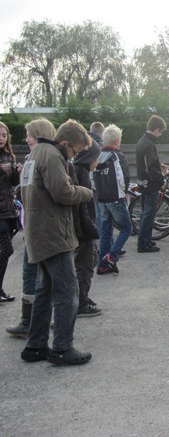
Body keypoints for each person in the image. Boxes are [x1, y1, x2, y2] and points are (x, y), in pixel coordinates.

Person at [20, 119, 94, 365]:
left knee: (45, 291)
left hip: (38, 233)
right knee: (67, 292)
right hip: (54, 235)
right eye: (74, 151)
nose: (74, 157)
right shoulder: (52, 156)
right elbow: (63, 192)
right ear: (65, 143)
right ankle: (62, 347)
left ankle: (35, 345)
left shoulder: (35, 153)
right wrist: (85, 192)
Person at [6, 119, 57, 338]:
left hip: (42, 228)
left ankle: (36, 320)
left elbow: (54, 192)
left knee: (40, 274)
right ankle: (33, 319)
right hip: (32, 226)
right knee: (33, 274)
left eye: (31, 136)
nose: (26, 139)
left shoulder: (46, 159)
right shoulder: (31, 159)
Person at [94, 125, 132, 274]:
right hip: (116, 198)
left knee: (106, 231)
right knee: (127, 228)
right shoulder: (118, 157)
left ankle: (102, 264)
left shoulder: (97, 156)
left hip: (101, 199)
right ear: (117, 141)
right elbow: (122, 177)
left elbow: (92, 178)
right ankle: (111, 256)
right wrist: (123, 193)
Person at [71, 140, 102, 316]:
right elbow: (82, 205)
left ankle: (82, 296)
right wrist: (88, 227)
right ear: (91, 159)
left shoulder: (81, 170)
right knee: (85, 265)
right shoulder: (81, 172)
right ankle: (81, 303)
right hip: (84, 228)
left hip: (83, 226)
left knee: (89, 260)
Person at [135, 115, 167, 253]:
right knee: (149, 214)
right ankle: (143, 243)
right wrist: (161, 178)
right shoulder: (150, 145)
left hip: (143, 182)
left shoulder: (141, 142)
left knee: (145, 213)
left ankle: (146, 240)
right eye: (161, 132)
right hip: (151, 184)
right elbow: (151, 168)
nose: (160, 135)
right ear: (157, 129)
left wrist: (158, 165)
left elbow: (146, 163)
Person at [0, 122, 20, 303]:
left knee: (4, 250)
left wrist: (17, 171)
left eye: (4, 135)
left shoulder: (8, 156)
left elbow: (13, 183)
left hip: (8, 210)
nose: (1, 138)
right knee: (7, 249)